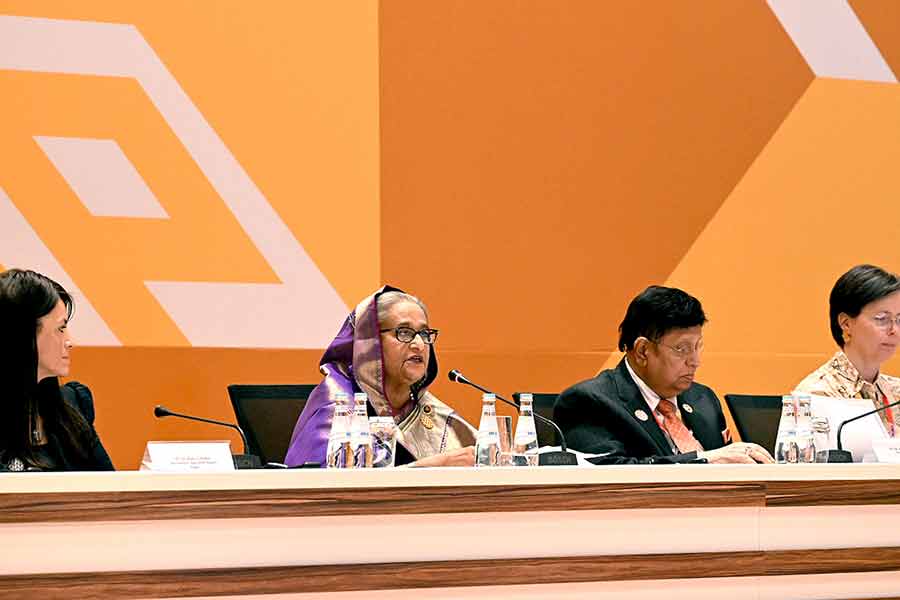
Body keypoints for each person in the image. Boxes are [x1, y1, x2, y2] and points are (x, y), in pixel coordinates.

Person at [554, 285, 774, 464]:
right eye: (682, 349)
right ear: (643, 351)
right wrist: (703, 460)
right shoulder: (589, 402)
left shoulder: (703, 399)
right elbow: (609, 473)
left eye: (697, 346)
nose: (695, 361)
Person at [284, 286, 476, 467]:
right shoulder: (339, 405)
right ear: (370, 343)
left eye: (424, 334)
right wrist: (434, 466)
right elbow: (328, 482)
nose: (419, 344)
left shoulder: (429, 411)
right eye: (404, 332)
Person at [0, 269, 114, 471]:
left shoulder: (73, 404)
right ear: (23, 336)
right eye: (60, 329)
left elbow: (110, 485)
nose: (70, 342)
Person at [795, 264, 900, 436]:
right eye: (882, 319)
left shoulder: (896, 393)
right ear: (846, 324)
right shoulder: (816, 394)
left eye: (899, 320)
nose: (894, 330)